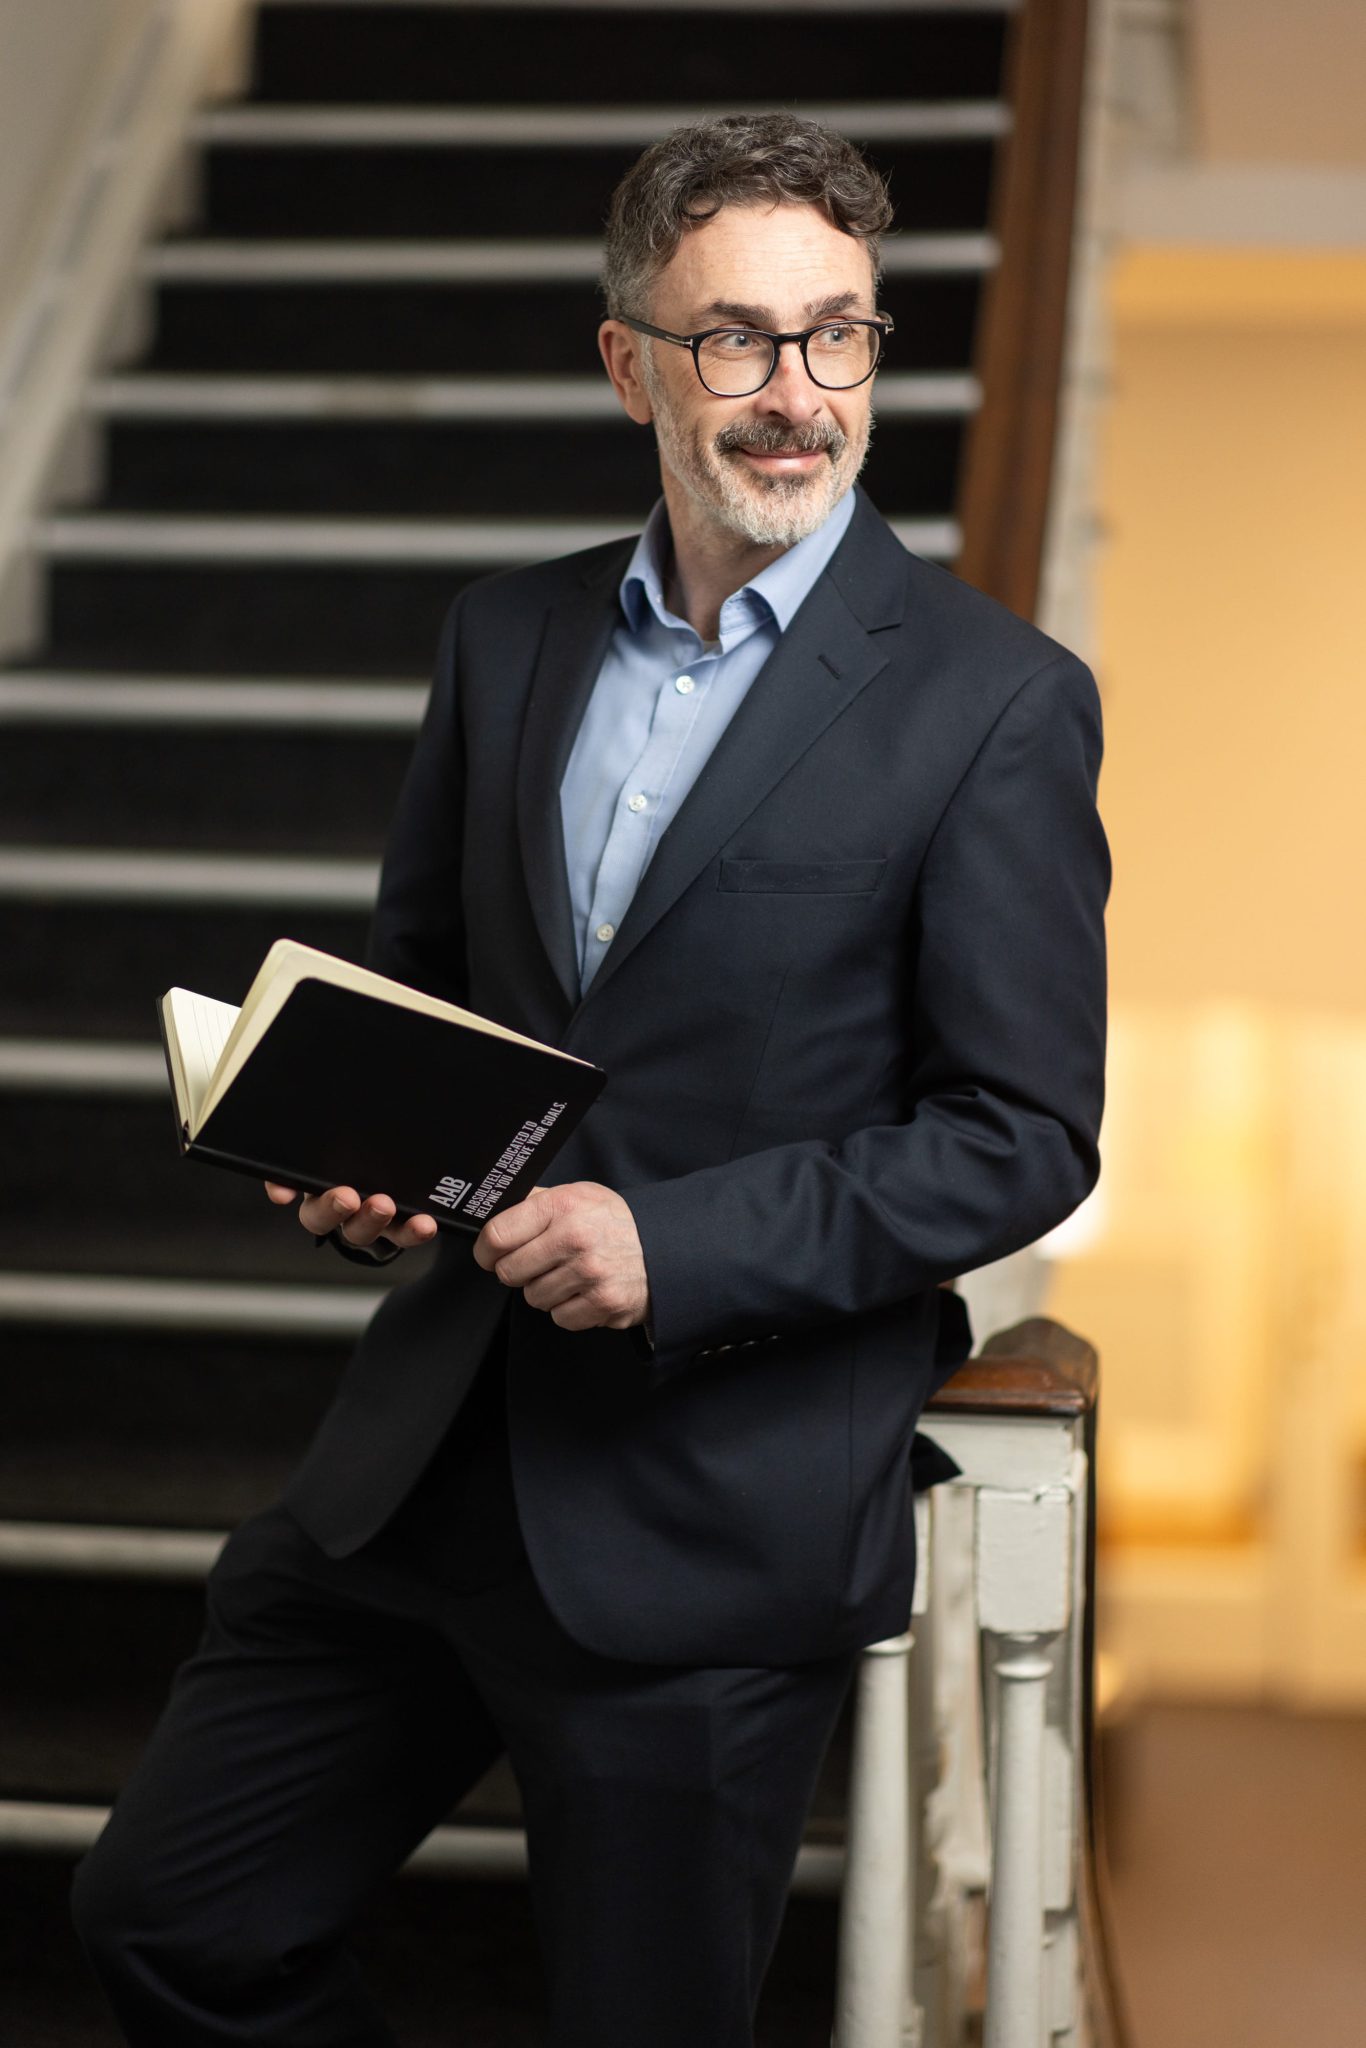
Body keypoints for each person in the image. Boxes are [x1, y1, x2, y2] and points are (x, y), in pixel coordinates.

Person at [70, 112, 1109, 2047]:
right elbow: (428, 981)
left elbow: (1021, 1133)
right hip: (415, 1479)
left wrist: (675, 1246)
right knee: (172, 1916)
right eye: (733, 340)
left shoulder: (993, 701)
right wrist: (356, 1148)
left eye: (837, 337)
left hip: (712, 1510)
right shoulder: (509, 636)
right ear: (627, 359)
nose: (792, 397)